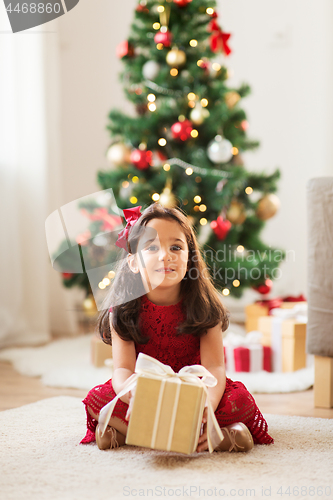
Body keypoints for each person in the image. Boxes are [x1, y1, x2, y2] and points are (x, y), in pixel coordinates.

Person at [81, 203, 274, 452]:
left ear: (189, 258)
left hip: (194, 390)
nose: (165, 255)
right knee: (100, 398)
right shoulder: (122, 310)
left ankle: (201, 433)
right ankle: (196, 439)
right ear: (133, 263)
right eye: (151, 247)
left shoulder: (205, 307)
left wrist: (207, 403)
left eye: (175, 247)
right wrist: (134, 393)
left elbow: (214, 367)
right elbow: (122, 369)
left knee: (239, 400)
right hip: (147, 393)